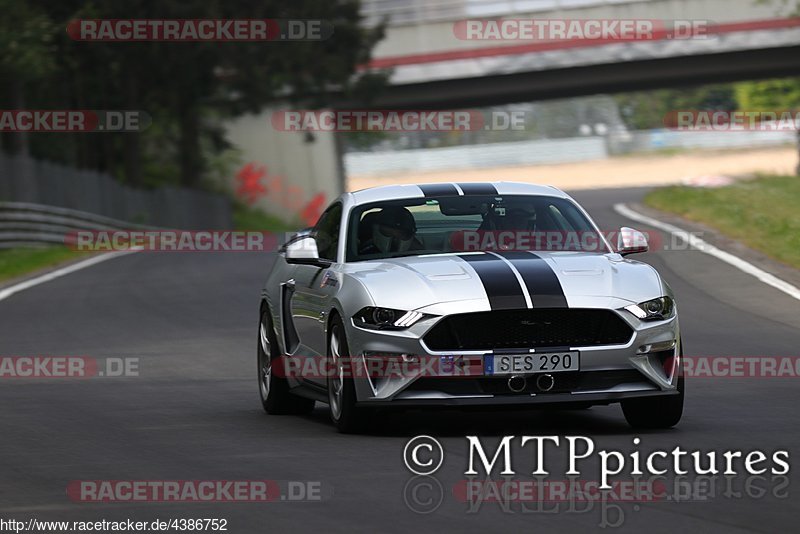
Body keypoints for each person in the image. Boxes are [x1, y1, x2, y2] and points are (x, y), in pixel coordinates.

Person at [358, 206, 424, 255]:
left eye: (401, 234)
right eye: (388, 233)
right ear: (375, 230)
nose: (395, 240)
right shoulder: (362, 254)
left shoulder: (420, 255)